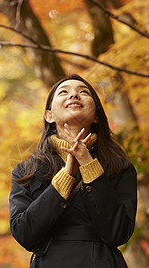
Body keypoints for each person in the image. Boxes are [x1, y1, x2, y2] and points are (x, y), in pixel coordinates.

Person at [9, 74, 137, 267]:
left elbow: (119, 233)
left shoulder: (119, 166)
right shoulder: (27, 170)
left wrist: (88, 163)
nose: (74, 95)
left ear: (96, 116)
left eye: (83, 92)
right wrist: (66, 176)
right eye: (64, 92)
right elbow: (24, 233)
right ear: (49, 116)